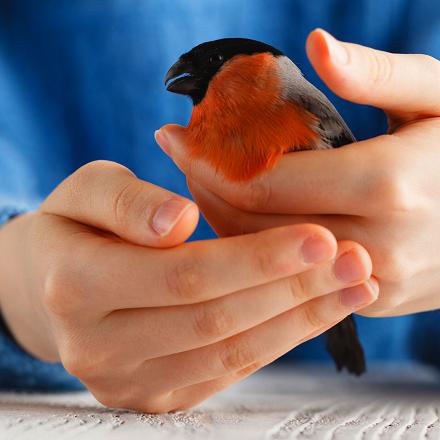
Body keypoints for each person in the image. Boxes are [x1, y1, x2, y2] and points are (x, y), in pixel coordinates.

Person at [0, 1, 439, 413]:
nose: (187, 78)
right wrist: (16, 278)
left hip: (384, 386)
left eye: (211, 66)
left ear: (265, 69)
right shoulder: (202, 129)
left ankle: (343, 338)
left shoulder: (303, 107)